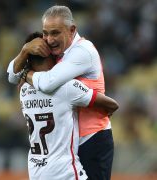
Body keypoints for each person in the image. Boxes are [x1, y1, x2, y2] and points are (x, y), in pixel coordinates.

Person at [7, 5, 115, 180]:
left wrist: (26, 73)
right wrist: (25, 50)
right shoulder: (57, 51)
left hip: (91, 137)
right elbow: (11, 75)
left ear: (72, 30)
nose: (49, 39)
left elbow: (48, 83)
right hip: (68, 142)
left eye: (55, 33)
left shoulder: (82, 51)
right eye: (45, 33)